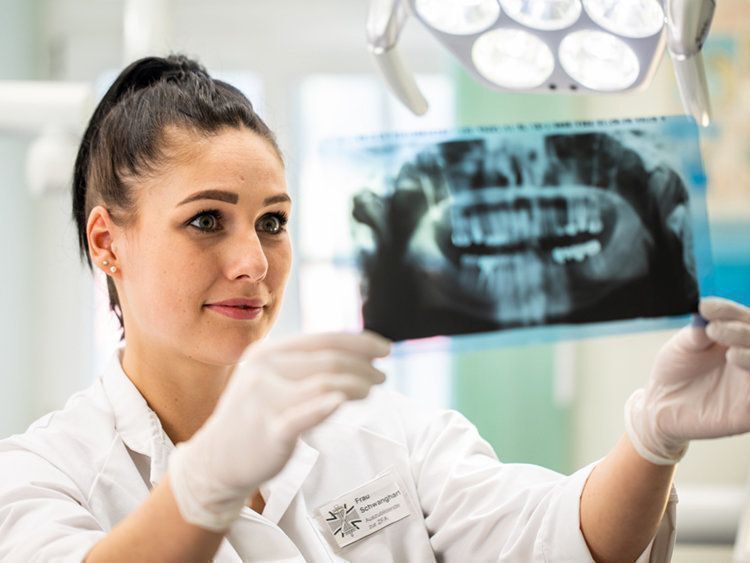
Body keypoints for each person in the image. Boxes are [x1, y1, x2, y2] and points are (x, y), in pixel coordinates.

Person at [0, 54, 749, 563]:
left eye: (272, 222)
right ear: (108, 242)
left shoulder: (384, 431)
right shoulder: (43, 473)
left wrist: (653, 437)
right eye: (206, 220)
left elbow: (552, 538)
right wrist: (207, 481)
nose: (253, 262)